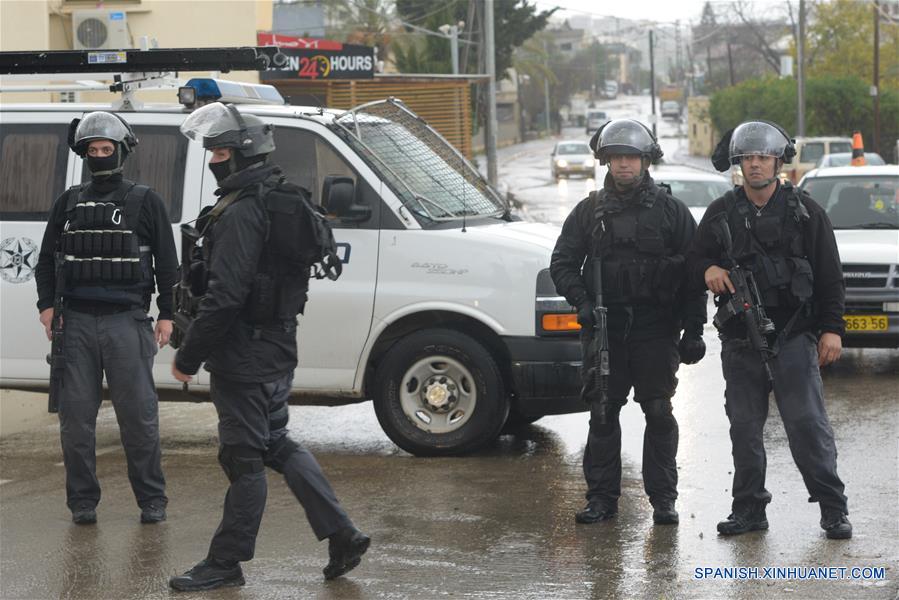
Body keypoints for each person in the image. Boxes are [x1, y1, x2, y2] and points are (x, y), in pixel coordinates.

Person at [168, 102, 369, 592]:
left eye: (218, 151)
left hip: (244, 356)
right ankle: (343, 533)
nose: (212, 159)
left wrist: (188, 354)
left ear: (240, 155)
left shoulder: (243, 212)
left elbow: (226, 296)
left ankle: (226, 561)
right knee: (276, 442)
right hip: (277, 348)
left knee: (243, 457)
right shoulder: (280, 200)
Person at [687, 120, 851, 539]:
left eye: (763, 157)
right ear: (738, 163)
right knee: (744, 427)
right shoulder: (721, 212)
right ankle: (749, 510)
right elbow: (692, 261)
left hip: (794, 335)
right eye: (747, 158)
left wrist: (832, 329)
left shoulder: (806, 211)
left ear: (778, 162)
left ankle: (833, 509)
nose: (755, 165)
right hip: (741, 339)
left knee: (807, 426)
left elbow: (831, 276)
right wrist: (708, 267)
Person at [550, 119, 707, 526]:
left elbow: (694, 275)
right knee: (603, 412)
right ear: (605, 161)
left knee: (657, 410)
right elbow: (563, 263)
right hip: (606, 330)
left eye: (631, 157)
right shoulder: (589, 212)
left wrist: (694, 329)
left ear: (645, 161)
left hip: (656, 329)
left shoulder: (671, 211)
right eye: (617, 157)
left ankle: (663, 500)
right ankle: (602, 499)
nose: (624, 165)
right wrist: (582, 302)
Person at [34, 111, 176, 525]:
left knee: (139, 420)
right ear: (83, 153)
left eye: (106, 149)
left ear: (121, 150)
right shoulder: (68, 201)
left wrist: (167, 314)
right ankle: (83, 503)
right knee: (76, 423)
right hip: (74, 323)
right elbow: (46, 261)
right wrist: (47, 306)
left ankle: (152, 500)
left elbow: (167, 265)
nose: (99, 155)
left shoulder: (146, 200)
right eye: (92, 150)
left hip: (127, 322)